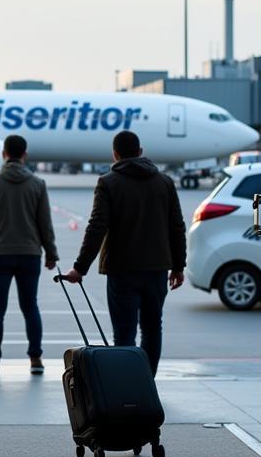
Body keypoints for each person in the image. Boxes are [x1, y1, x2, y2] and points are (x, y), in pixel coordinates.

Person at [61, 129, 186, 376]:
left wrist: (80, 267)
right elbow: (177, 226)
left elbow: (97, 226)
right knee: (152, 329)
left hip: (122, 269)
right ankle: (147, 383)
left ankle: (129, 385)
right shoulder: (164, 182)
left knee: (124, 332)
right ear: (141, 152)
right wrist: (179, 266)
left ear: (115, 154)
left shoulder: (108, 183)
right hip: (157, 268)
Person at [0, 134, 59, 378]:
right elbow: (45, 224)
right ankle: (35, 359)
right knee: (30, 307)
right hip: (30, 255)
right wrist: (51, 253)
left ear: (3, 154)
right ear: (25, 155)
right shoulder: (37, 184)